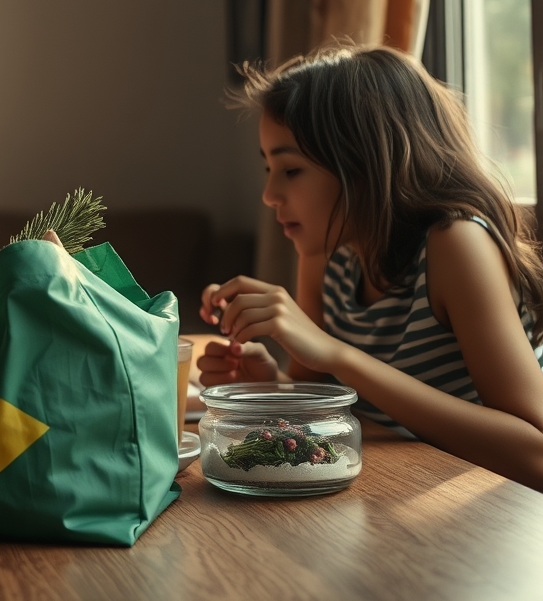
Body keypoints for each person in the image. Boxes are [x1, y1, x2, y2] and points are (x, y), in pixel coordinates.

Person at [197, 45, 543, 490]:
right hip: (401, 490)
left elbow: (535, 453)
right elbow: (329, 413)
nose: (269, 195)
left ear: (363, 164)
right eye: (268, 168)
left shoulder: (454, 245)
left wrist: (339, 354)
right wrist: (270, 384)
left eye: (291, 170)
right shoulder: (326, 254)